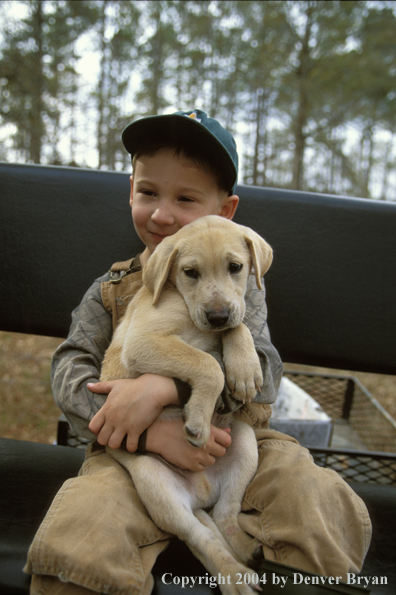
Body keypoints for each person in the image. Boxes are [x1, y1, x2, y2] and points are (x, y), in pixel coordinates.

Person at [25, 110, 371, 595]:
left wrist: (169, 383)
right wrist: (140, 432)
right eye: (148, 193)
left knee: (314, 497)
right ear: (130, 193)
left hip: (236, 438)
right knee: (84, 532)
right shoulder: (111, 291)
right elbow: (69, 368)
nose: (162, 214)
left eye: (186, 198)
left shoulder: (241, 282)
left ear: (225, 211)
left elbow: (265, 375)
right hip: (134, 452)